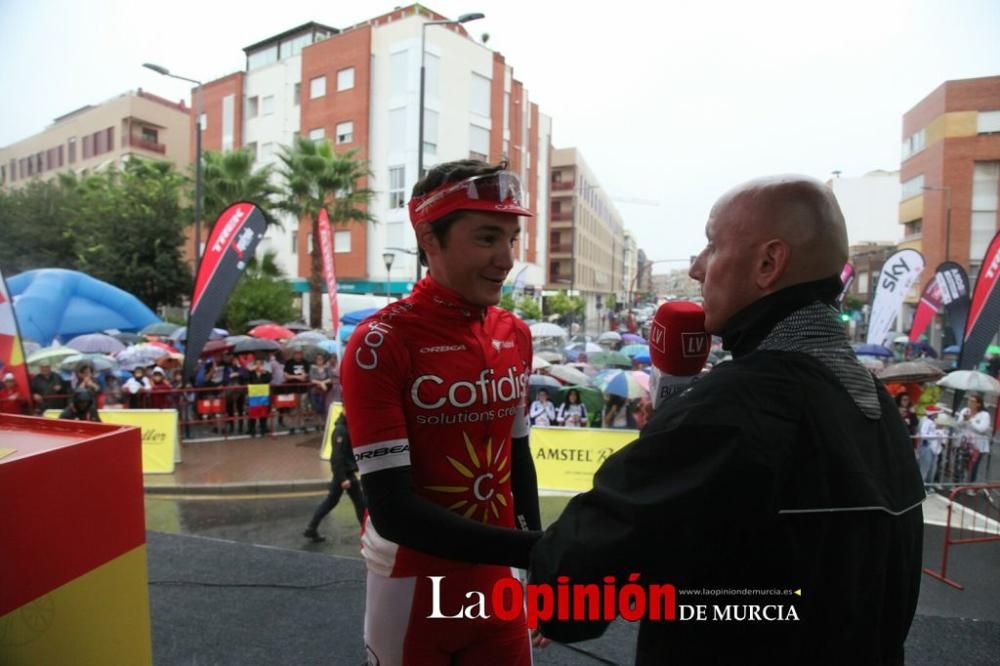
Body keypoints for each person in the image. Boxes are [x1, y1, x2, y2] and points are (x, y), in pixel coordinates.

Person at [529, 176, 925, 665]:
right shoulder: (876, 405)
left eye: (712, 245)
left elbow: (567, 592)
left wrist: (666, 440)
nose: (696, 267)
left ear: (768, 263)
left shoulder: (734, 408)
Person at [341, 160, 542, 665]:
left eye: (511, 239)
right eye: (487, 238)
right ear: (430, 238)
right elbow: (392, 510)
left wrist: (536, 574)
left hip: (497, 576)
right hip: (411, 580)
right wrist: (539, 549)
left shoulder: (513, 334)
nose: (506, 258)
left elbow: (519, 460)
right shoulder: (380, 343)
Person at [303, 412, 366, 542]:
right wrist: (343, 478)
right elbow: (337, 457)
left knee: (332, 501)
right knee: (359, 503)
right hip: (344, 473)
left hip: (345, 472)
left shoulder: (346, 427)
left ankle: (311, 528)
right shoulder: (340, 430)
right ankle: (367, 533)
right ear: (344, 410)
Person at [958, 393, 992, 485]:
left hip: (978, 446)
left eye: (973, 401)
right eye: (969, 400)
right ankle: (957, 484)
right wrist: (963, 420)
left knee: (973, 466)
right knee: (960, 464)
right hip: (965, 443)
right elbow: (959, 424)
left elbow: (981, 429)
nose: (969, 403)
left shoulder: (985, 415)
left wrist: (970, 420)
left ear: (979, 404)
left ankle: (969, 485)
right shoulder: (965, 410)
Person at [917, 404, 946, 490]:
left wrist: (940, 434)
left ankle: (929, 486)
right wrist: (936, 434)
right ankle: (920, 487)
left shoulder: (935, 423)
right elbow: (923, 435)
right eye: (936, 413)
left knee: (933, 468)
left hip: (936, 449)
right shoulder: (926, 422)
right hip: (927, 447)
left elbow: (942, 435)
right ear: (932, 414)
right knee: (925, 468)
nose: (937, 415)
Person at [282, 348, 311, 434]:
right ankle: (292, 426)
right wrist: (297, 377)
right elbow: (286, 375)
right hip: (292, 388)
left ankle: (303, 425)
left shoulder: (305, 362)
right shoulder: (289, 363)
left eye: (299, 354)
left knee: (302, 407)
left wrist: (304, 376)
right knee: (293, 407)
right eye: (296, 354)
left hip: (303, 388)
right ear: (293, 354)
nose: (298, 355)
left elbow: (307, 374)